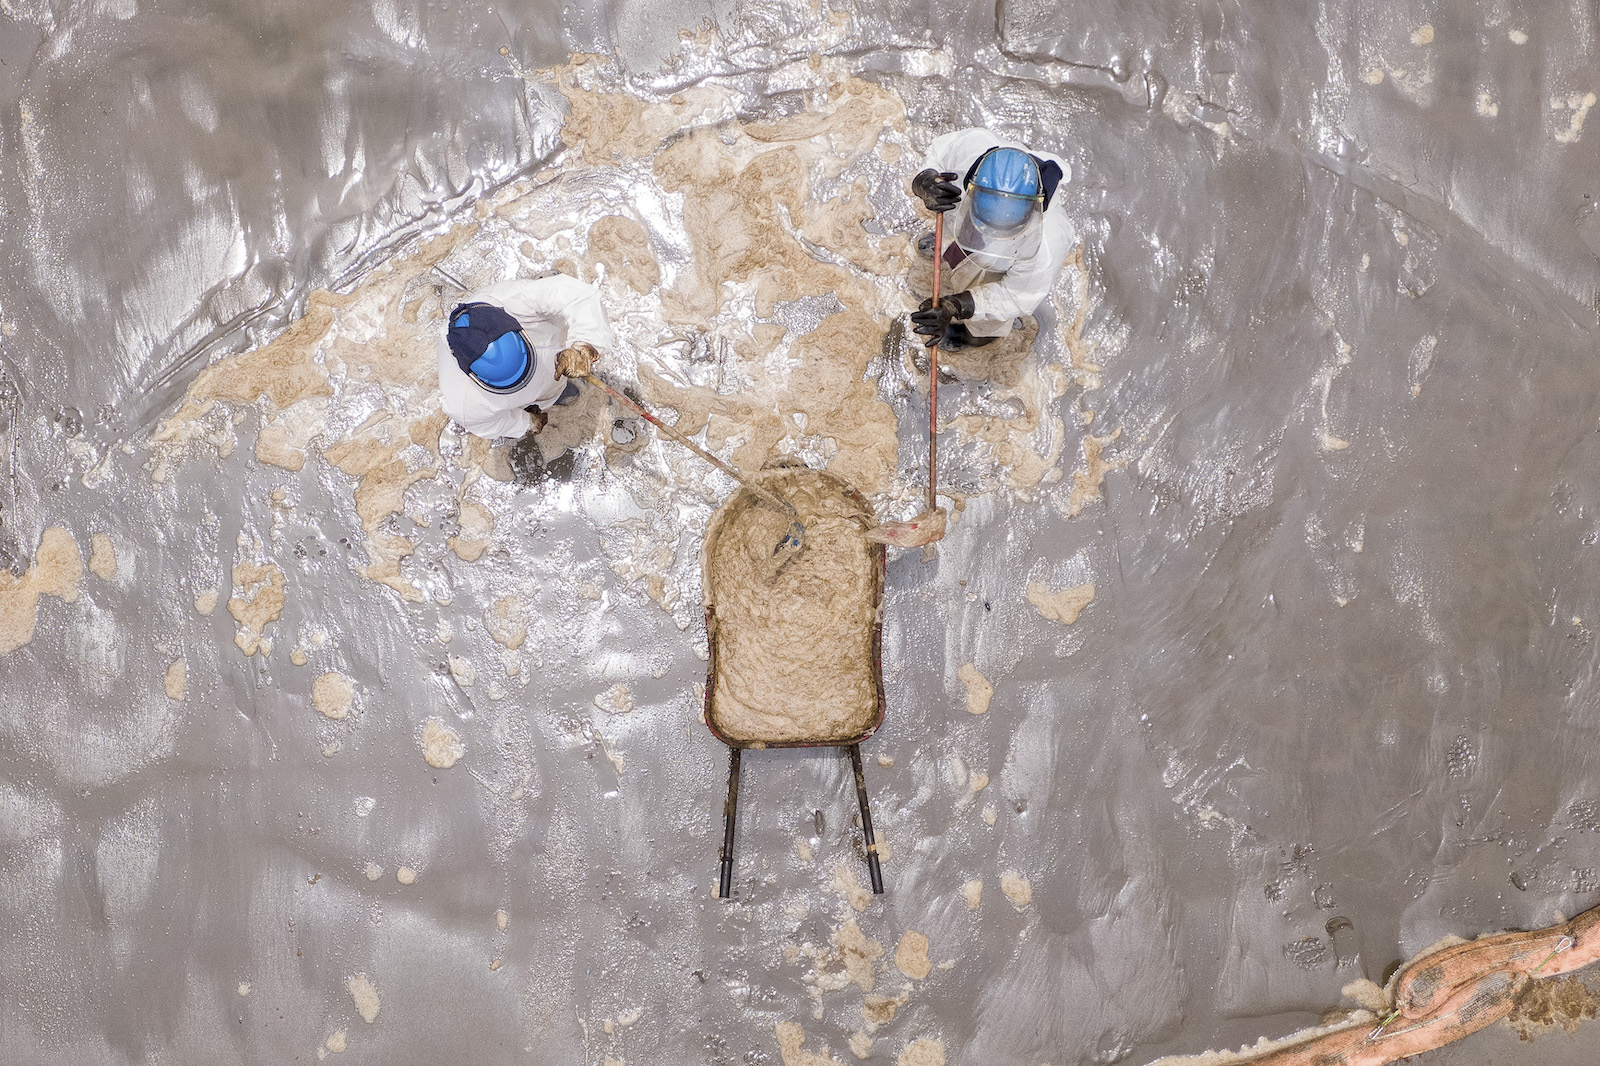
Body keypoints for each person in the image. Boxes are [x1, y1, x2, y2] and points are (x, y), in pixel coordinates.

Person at [907, 129, 1076, 352]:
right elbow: (938, 153)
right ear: (971, 187)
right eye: (984, 223)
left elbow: (1015, 296)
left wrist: (956, 305)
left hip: (1000, 266)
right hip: (963, 231)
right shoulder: (973, 145)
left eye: (1002, 229)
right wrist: (925, 182)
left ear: (1032, 212)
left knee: (987, 321)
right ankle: (953, 250)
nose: (990, 233)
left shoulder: (1048, 241)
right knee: (955, 238)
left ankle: (976, 337)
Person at [438, 274, 616, 439]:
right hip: (535, 396)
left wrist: (584, 345)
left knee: (548, 295)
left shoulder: (509, 301)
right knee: (550, 396)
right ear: (475, 378)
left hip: (555, 338)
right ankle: (554, 396)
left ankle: (559, 388)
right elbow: (488, 423)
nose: (525, 377)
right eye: (516, 381)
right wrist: (527, 422)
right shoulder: (466, 404)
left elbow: (578, 296)